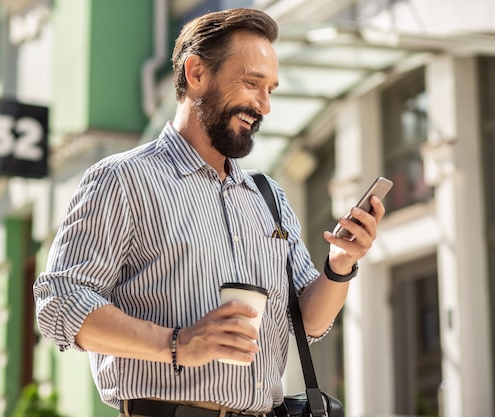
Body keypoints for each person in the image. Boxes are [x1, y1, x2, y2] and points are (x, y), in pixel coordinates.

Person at [34, 7, 385, 417]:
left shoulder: (267, 195)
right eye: (252, 83)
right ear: (197, 73)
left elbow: (306, 322)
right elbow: (59, 302)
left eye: (270, 89)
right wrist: (179, 343)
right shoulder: (123, 180)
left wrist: (340, 266)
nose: (264, 106)